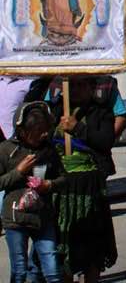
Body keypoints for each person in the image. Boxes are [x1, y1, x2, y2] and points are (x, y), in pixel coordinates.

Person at [49, 77, 118, 281]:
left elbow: (105, 141)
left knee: (92, 246)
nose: (77, 90)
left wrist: (78, 129)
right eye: (72, 86)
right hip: (61, 188)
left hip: (90, 186)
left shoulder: (100, 112)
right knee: (63, 246)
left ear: (91, 88)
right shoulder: (53, 111)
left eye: (82, 85)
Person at [0, 102, 65, 283]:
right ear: (22, 131)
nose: (44, 134)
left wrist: (49, 185)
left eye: (46, 130)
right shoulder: (6, 150)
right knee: (19, 270)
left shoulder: (48, 150)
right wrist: (18, 172)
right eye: (39, 131)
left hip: (43, 218)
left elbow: (63, 178)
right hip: (15, 219)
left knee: (52, 269)